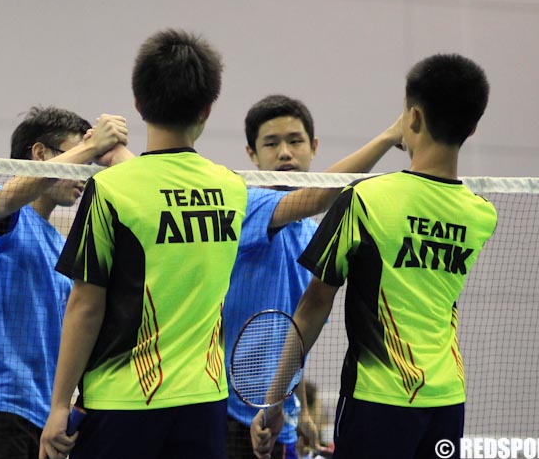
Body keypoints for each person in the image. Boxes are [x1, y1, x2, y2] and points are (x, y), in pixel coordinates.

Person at [250, 54, 497, 459]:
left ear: (412, 119)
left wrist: (275, 402)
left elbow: (313, 305)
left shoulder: (365, 199)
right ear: (472, 127)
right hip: (447, 401)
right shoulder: (481, 214)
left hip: (376, 398)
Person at [39, 28, 249, 459]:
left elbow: (85, 303)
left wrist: (59, 404)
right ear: (208, 109)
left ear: (138, 103)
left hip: (123, 403)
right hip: (205, 402)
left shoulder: (112, 191)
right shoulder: (234, 189)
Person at [224, 94, 403, 459]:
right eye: (271, 144)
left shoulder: (309, 234)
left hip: (279, 416)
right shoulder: (247, 202)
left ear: (314, 147)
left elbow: (290, 332)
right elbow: (320, 196)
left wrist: (300, 408)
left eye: (295, 141)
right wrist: (387, 138)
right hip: (228, 413)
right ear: (251, 155)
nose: (285, 153)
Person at [0, 106, 129, 459]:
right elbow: (9, 199)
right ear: (40, 154)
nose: (84, 175)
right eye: (78, 160)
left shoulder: (62, 247)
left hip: (43, 414)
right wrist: (93, 147)